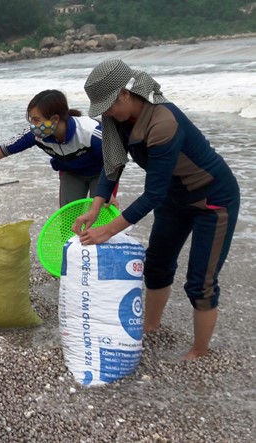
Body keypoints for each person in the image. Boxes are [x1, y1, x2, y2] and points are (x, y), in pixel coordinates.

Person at [72, 59, 240, 360]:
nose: (106, 113)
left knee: (200, 282)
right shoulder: (116, 119)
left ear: (125, 94)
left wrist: (107, 231)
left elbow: (152, 193)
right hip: (173, 199)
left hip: (212, 201)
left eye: (109, 106)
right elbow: (112, 165)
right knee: (157, 267)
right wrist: (95, 208)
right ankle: (150, 327)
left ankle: (200, 352)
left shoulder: (163, 121)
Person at [0, 89, 116, 208]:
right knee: (68, 217)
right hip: (71, 174)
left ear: (55, 119)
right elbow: (5, 149)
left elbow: (115, 159)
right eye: (30, 119)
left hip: (101, 173)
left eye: (36, 120)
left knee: (101, 214)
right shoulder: (35, 134)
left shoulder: (90, 132)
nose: (32, 125)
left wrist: (110, 193)